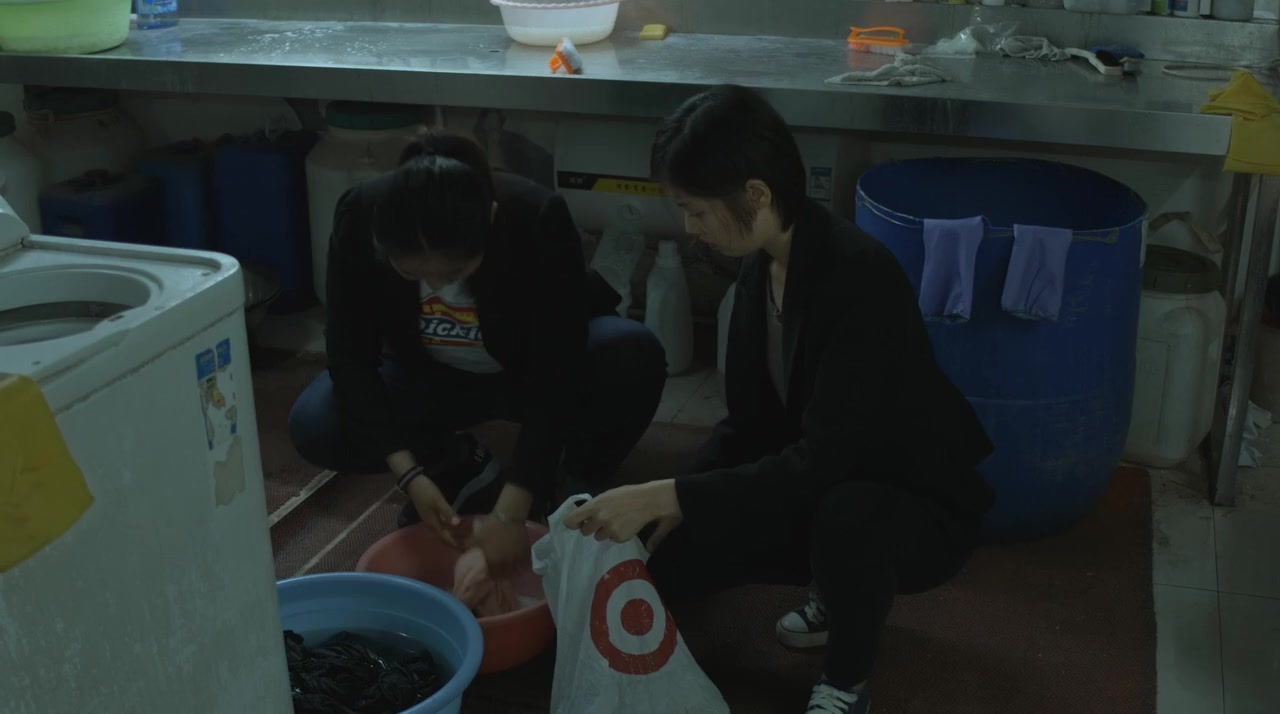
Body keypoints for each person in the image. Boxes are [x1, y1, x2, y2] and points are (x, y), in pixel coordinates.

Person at [563, 86, 996, 714]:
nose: (689, 227)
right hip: (820, 478)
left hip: (910, 504)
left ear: (757, 194)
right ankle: (834, 583)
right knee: (665, 556)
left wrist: (670, 494)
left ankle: (845, 678)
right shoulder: (760, 266)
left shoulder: (860, 278)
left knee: (847, 519)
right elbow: (746, 426)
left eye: (696, 210)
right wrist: (671, 507)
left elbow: (827, 460)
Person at [289, 132, 667, 564]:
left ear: (489, 220)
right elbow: (350, 356)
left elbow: (556, 366)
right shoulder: (361, 215)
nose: (436, 285)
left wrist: (514, 506)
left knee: (630, 353)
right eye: (413, 272)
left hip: (523, 371)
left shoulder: (535, 216)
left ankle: (574, 480)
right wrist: (411, 475)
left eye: (453, 271)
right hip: (425, 377)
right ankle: (458, 465)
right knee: (318, 422)